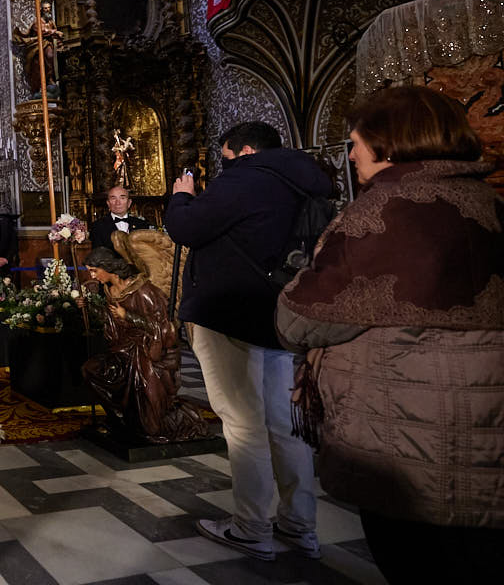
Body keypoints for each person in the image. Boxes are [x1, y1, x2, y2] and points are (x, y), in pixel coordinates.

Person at [276, 86, 504, 582]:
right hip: (484, 435)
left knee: (420, 563)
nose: (352, 154)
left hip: (411, 437)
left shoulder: (382, 215)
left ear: (387, 145)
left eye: (356, 142)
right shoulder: (490, 201)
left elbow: (298, 321)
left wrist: (300, 274)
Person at [164, 120, 332, 561]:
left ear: (243, 151)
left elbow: (186, 228)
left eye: (226, 157)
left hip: (231, 313)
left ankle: (252, 526)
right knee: (284, 423)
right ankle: (299, 524)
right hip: (279, 315)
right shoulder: (304, 179)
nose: (224, 165)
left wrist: (181, 194)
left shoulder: (245, 178)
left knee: (243, 423)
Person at [79, 248, 207, 443]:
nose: (92, 275)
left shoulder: (144, 291)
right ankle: (121, 416)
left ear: (107, 268)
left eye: (94, 270)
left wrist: (128, 316)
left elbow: (164, 327)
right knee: (92, 370)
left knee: (152, 421)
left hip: (150, 351)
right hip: (124, 348)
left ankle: (177, 419)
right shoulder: (110, 290)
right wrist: (89, 307)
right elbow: (112, 321)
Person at [89, 185, 153, 251]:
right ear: (108, 203)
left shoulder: (142, 224)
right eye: (113, 198)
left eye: (122, 198)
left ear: (129, 203)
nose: (118, 203)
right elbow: (97, 255)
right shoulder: (98, 226)